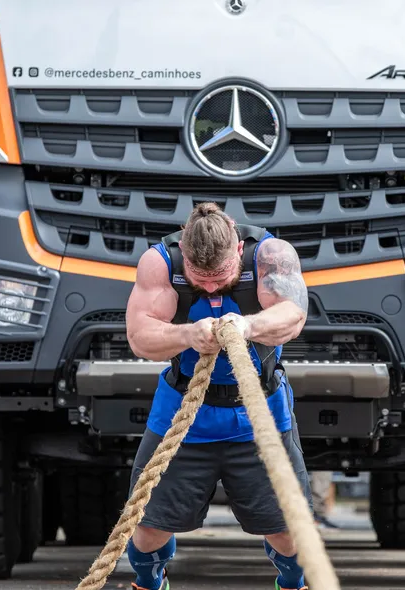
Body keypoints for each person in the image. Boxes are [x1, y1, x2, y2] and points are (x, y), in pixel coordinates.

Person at [123, 202, 313, 590]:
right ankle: (150, 582)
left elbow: (293, 315)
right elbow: (139, 335)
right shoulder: (159, 263)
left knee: (291, 535)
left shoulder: (272, 255)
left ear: (238, 253)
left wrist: (247, 325)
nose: (209, 287)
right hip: (182, 416)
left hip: (260, 414)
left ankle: (293, 586)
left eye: (220, 276)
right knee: (144, 531)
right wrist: (186, 334)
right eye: (199, 277)